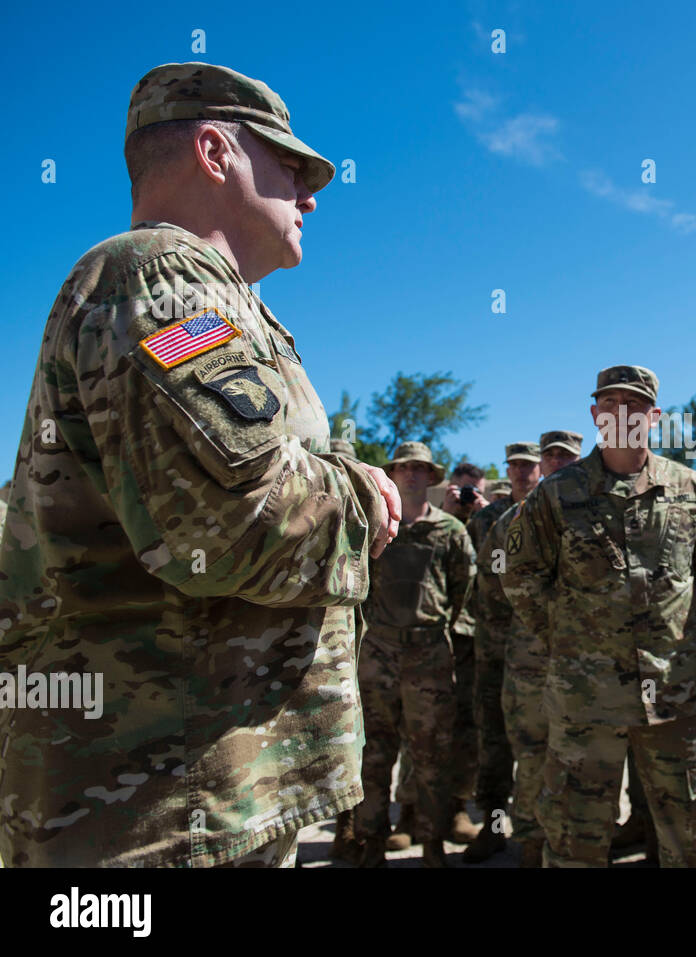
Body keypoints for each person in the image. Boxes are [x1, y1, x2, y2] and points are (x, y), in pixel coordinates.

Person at [0, 61, 400, 867]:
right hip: (158, 804)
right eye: (291, 166)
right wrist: (364, 495)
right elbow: (229, 520)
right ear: (215, 151)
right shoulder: (160, 279)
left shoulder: (218, 300)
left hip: (206, 791)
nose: (311, 195)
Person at [501, 365, 696, 866]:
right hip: (586, 698)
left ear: (654, 416)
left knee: (689, 835)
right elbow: (520, 575)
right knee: (573, 837)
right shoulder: (556, 494)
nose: (621, 414)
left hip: (675, 692)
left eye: (634, 405)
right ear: (594, 414)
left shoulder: (690, 490)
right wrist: (570, 638)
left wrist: (682, 631)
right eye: (610, 404)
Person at [353, 442, 474, 866]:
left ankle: (432, 843)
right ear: (394, 472)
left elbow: (462, 591)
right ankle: (369, 841)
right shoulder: (375, 525)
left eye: (419, 469)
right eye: (403, 468)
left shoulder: (450, 531)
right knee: (375, 753)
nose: (410, 475)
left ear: (431, 476)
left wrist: (431, 627)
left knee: (432, 756)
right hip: (380, 652)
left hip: (429, 656)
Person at [474, 430, 584, 866]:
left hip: (586, 663)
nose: (556, 463)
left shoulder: (597, 513)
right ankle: (531, 845)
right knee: (531, 757)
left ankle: (578, 846)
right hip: (527, 662)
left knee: (582, 757)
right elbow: (491, 589)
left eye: (564, 457)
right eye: (549, 456)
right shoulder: (512, 521)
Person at [463, 442, 542, 862]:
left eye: (529, 466)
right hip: (493, 650)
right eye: (515, 466)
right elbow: (482, 583)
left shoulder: (557, 514)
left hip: (538, 654)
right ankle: (493, 829)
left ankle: (537, 835)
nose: (522, 473)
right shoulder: (487, 520)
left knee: (538, 746)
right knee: (493, 744)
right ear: (507, 470)